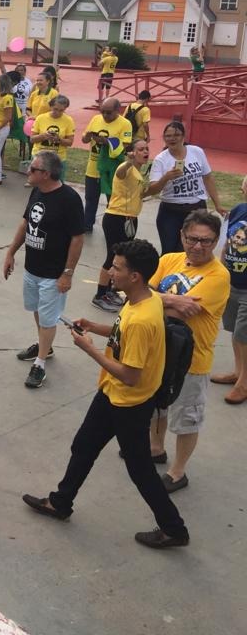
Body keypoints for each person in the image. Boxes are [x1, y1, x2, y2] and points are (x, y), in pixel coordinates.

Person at [21, 239, 190, 550]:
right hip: (112, 395)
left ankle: (174, 529)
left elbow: (130, 373)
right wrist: (96, 328)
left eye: (117, 267)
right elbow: (121, 332)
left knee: (139, 469)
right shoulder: (144, 299)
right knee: (84, 445)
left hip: (128, 402)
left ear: (135, 276)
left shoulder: (141, 318)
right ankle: (60, 502)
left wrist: (90, 349)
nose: (111, 271)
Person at [148, 210, 230, 493]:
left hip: (191, 361)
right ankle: (155, 449)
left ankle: (177, 472)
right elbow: (137, 294)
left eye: (206, 241)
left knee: (186, 419)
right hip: (158, 351)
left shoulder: (218, 276)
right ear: (182, 236)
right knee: (157, 405)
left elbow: (182, 313)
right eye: (192, 239)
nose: (198, 246)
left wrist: (153, 298)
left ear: (216, 242)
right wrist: (171, 300)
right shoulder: (168, 260)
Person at [3, 151, 85, 389]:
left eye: (33, 169)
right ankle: (44, 346)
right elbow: (26, 223)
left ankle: (40, 365)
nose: (28, 172)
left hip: (54, 273)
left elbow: (77, 238)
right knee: (38, 310)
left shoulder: (69, 199)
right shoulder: (36, 191)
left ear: (46, 174)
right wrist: (10, 253)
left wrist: (67, 273)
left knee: (49, 319)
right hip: (32, 268)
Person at [147, 121, 226, 254]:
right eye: (168, 136)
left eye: (176, 135)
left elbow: (207, 177)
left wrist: (217, 204)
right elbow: (153, 189)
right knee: (170, 251)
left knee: (194, 250)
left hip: (197, 208)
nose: (172, 139)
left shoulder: (196, 152)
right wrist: (166, 177)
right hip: (171, 210)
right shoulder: (161, 159)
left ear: (183, 136)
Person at [92, 139, 151, 313]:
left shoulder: (139, 173)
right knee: (112, 257)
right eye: (140, 149)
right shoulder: (126, 168)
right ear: (132, 152)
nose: (145, 151)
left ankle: (110, 290)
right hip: (116, 218)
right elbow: (120, 173)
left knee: (122, 259)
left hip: (130, 219)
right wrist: (129, 161)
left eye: (147, 148)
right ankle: (100, 294)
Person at [213, 176, 247, 404]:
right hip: (232, 283)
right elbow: (227, 244)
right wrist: (222, 272)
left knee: (242, 334)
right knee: (235, 331)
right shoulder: (238, 211)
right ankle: (238, 372)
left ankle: (244, 384)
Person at [81, 97, 132, 233]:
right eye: (102, 111)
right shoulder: (96, 119)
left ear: (118, 111)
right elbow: (84, 138)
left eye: (108, 112)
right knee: (91, 198)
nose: (104, 115)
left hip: (112, 170)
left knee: (113, 200)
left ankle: (112, 227)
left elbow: (125, 145)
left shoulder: (125, 124)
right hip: (93, 168)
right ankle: (87, 225)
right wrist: (87, 137)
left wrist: (106, 141)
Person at [29, 95, 75, 184]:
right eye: (55, 109)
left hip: (58, 159)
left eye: (61, 110)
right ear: (50, 106)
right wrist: (43, 136)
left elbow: (70, 142)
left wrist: (59, 139)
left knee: (57, 184)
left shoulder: (69, 120)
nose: (57, 112)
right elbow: (32, 139)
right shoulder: (40, 118)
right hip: (40, 158)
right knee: (38, 183)